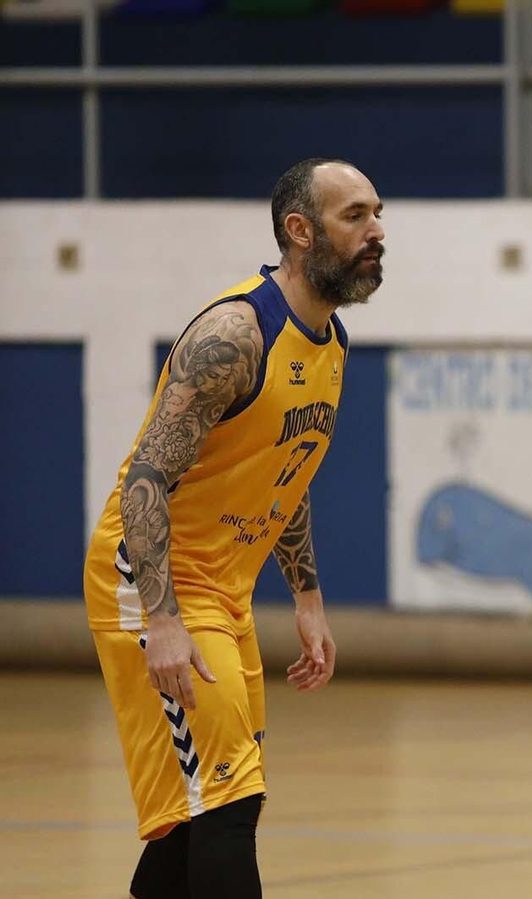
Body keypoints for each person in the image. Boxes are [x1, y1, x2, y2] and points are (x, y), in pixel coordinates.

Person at [82, 158, 384, 898]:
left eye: (379, 213)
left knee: (199, 811)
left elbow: (287, 472)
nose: (377, 231)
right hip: (150, 576)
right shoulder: (234, 335)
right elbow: (147, 480)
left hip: (225, 589)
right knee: (230, 797)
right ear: (299, 229)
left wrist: (307, 599)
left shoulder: (331, 343)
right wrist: (161, 620)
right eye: (356, 216)